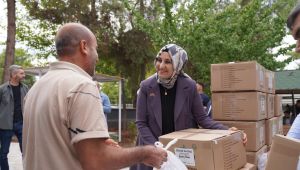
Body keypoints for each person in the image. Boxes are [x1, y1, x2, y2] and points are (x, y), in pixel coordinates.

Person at [22, 23, 167, 170]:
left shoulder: (35, 89)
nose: (97, 57)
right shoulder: (82, 86)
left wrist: (97, 143)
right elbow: (96, 161)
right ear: (84, 46)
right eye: (95, 49)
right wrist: (144, 153)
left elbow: (55, 143)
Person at [131, 44, 247, 170]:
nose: (161, 65)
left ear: (178, 65)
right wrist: (156, 148)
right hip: (152, 151)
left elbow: (202, 118)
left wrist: (227, 131)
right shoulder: (146, 86)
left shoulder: (189, 86)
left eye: (168, 62)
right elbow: (141, 123)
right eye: (159, 60)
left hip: (181, 153)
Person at [0, 65, 28, 170]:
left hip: (21, 124)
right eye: (21, 73)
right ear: (13, 75)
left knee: (25, 151)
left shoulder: (25, 88)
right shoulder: (2, 89)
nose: (23, 75)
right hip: (5, 124)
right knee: (3, 152)